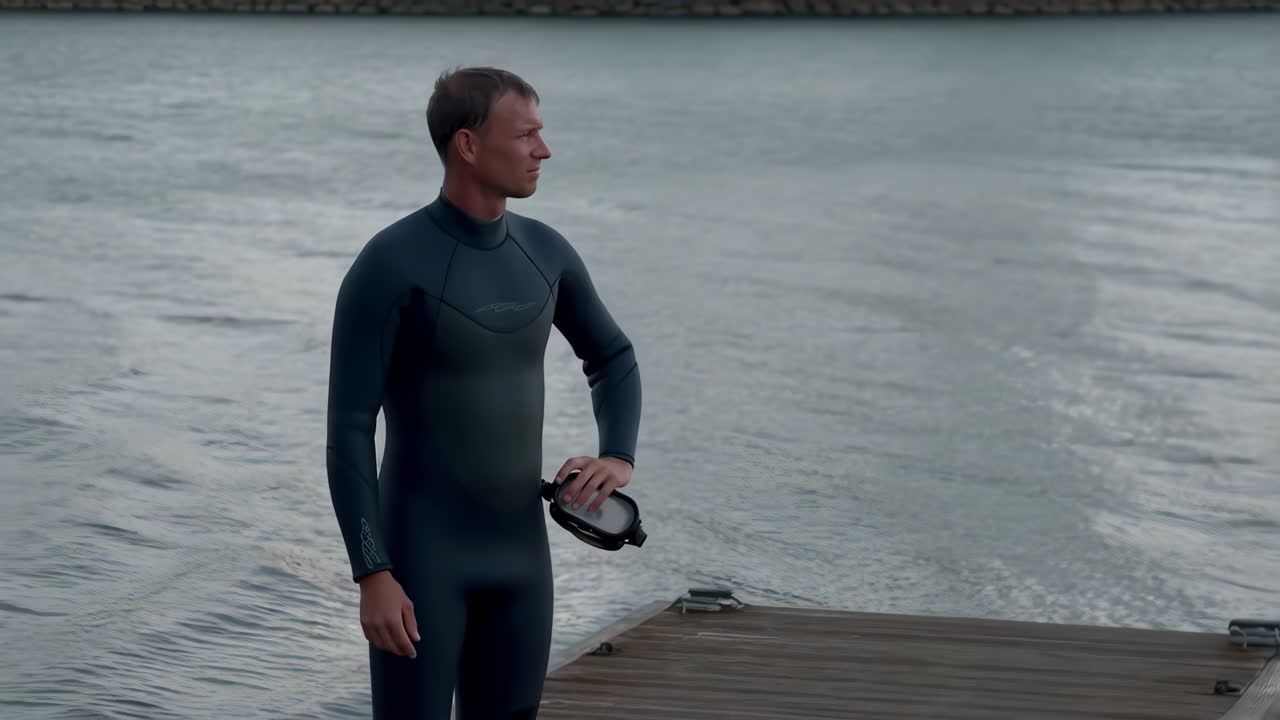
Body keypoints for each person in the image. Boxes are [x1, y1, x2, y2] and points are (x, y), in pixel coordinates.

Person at [324, 66, 642, 720]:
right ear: (468, 144)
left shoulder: (545, 253)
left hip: (522, 562)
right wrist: (371, 573)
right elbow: (350, 429)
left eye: (542, 134)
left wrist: (619, 455)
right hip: (418, 564)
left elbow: (612, 357)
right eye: (526, 135)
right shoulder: (389, 265)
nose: (543, 151)